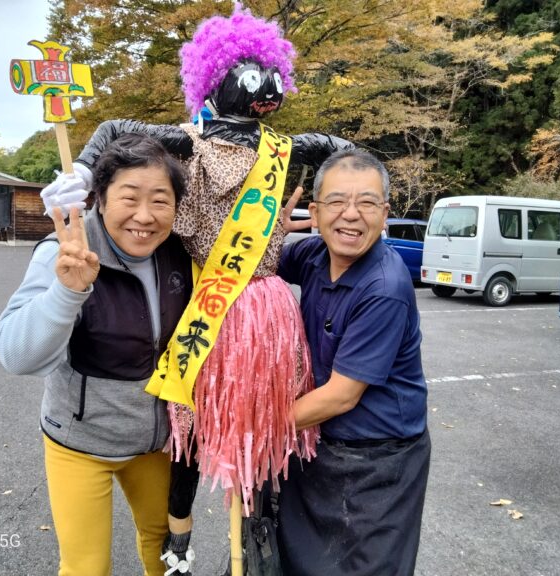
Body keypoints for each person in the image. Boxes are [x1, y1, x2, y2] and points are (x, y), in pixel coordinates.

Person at [40, 7, 353, 572]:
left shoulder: (284, 148)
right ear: (217, 76)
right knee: (191, 425)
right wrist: (84, 172)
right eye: (250, 70)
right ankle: (179, 540)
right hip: (203, 301)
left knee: (262, 422)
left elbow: (341, 149)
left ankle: (259, 538)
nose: (265, 84)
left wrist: (336, 207)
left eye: (270, 71)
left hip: (265, 312)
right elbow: (112, 133)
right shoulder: (183, 144)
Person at [0, 133, 193, 576]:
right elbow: (15, 354)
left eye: (160, 201)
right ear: (98, 197)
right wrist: (68, 291)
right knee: (86, 568)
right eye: (129, 197)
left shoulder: (182, 255)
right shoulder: (64, 252)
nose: (145, 216)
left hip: (156, 445)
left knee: (166, 551)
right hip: (80, 446)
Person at [276, 149, 431, 576]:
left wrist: (255, 428)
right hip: (320, 446)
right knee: (303, 563)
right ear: (315, 211)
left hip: (380, 461)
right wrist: (269, 230)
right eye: (337, 201)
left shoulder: (385, 285)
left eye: (366, 203)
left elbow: (342, 396)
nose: (351, 215)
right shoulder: (312, 255)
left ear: (385, 214)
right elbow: (257, 263)